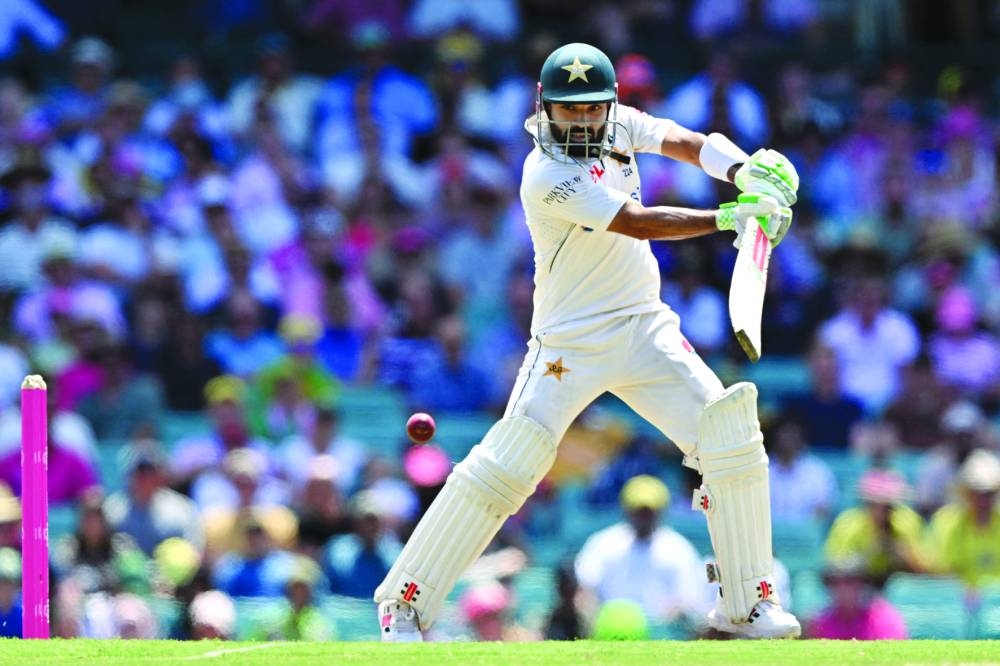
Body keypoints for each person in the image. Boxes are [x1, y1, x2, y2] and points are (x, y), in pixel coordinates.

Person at [375, 42, 801, 641]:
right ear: (544, 106)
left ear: (611, 104)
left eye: (592, 109)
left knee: (729, 433)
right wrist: (729, 218)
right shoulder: (544, 173)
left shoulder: (620, 123)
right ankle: (406, 604)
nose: (581, 121)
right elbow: (636, 219)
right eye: (569, 110)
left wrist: (740, 170)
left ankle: (747, 604)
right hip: (567, 343)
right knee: (510, 463)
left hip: (645, 327)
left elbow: (683, 141)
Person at [574, 475, 704, 626]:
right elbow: (585, 592)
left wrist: (659, 627)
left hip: (661, 639)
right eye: (638, 511)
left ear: (661, 512)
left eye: (648, 512)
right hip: (609, 634)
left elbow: (688, 601)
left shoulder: (679, 550)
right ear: (626, 510)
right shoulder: (602, 544)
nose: (643, 518)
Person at [807, 557, 908, 640]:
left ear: (864, 584)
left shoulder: (884, 617)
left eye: (849, 580)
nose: (842, 588)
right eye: (834, 582)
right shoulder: (821, 620)